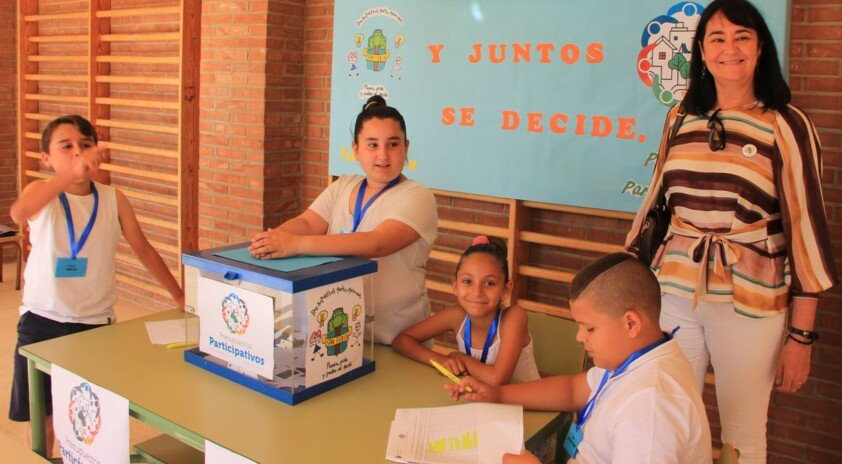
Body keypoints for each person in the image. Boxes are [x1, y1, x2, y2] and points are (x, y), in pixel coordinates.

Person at [625, 0, 838, 464]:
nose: (730, 48)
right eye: (717, 38)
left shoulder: (786, 124)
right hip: (675, 291)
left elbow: (806, 231)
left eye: (742, 37)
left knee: (742, 436)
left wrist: (801, 338)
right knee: (671, 416)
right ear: (702, 51)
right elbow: (657, 202)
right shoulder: (680, 116)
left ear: (760, 48)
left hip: (750, 301)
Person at [8, 114, 184, 450]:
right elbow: (19, 213)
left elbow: (143, 249)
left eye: (85, 145)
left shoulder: (112, 198)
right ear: (46, 158)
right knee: (41, 420)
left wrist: (178, 295)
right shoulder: (43, 193)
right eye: (67, 146)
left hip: (95, 326)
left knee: (86, 420)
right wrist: (66, 177)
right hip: (41, 321)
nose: (78, 152)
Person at [447, 253, 711, 464]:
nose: (580, 337)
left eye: (590, 328)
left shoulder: (651, 406)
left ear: (630, 323)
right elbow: (574, 389)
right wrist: (498, 394)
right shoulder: (639, 354)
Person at [249, 95, 437, 344]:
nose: (383, 154)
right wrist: (274, 239)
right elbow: (306, 224)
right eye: (372, 145)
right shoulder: (343, 186)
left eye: (393, 144)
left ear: (406, 147)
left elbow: (378, 243)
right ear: (356, 149)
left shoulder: (418, 196)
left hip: (398, 339)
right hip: (341, 336)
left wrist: (295, 244)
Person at [392, 235, 540, 384]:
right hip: (482, 400)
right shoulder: (457, 315)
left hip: (528, 405)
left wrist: (461, 359)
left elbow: (497, 379)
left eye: (489, 283)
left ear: (506, 289)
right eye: (468, 281)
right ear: (455, 285)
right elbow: (402, 340)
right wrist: (440, 360)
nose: (477, 292)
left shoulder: (514, 317)